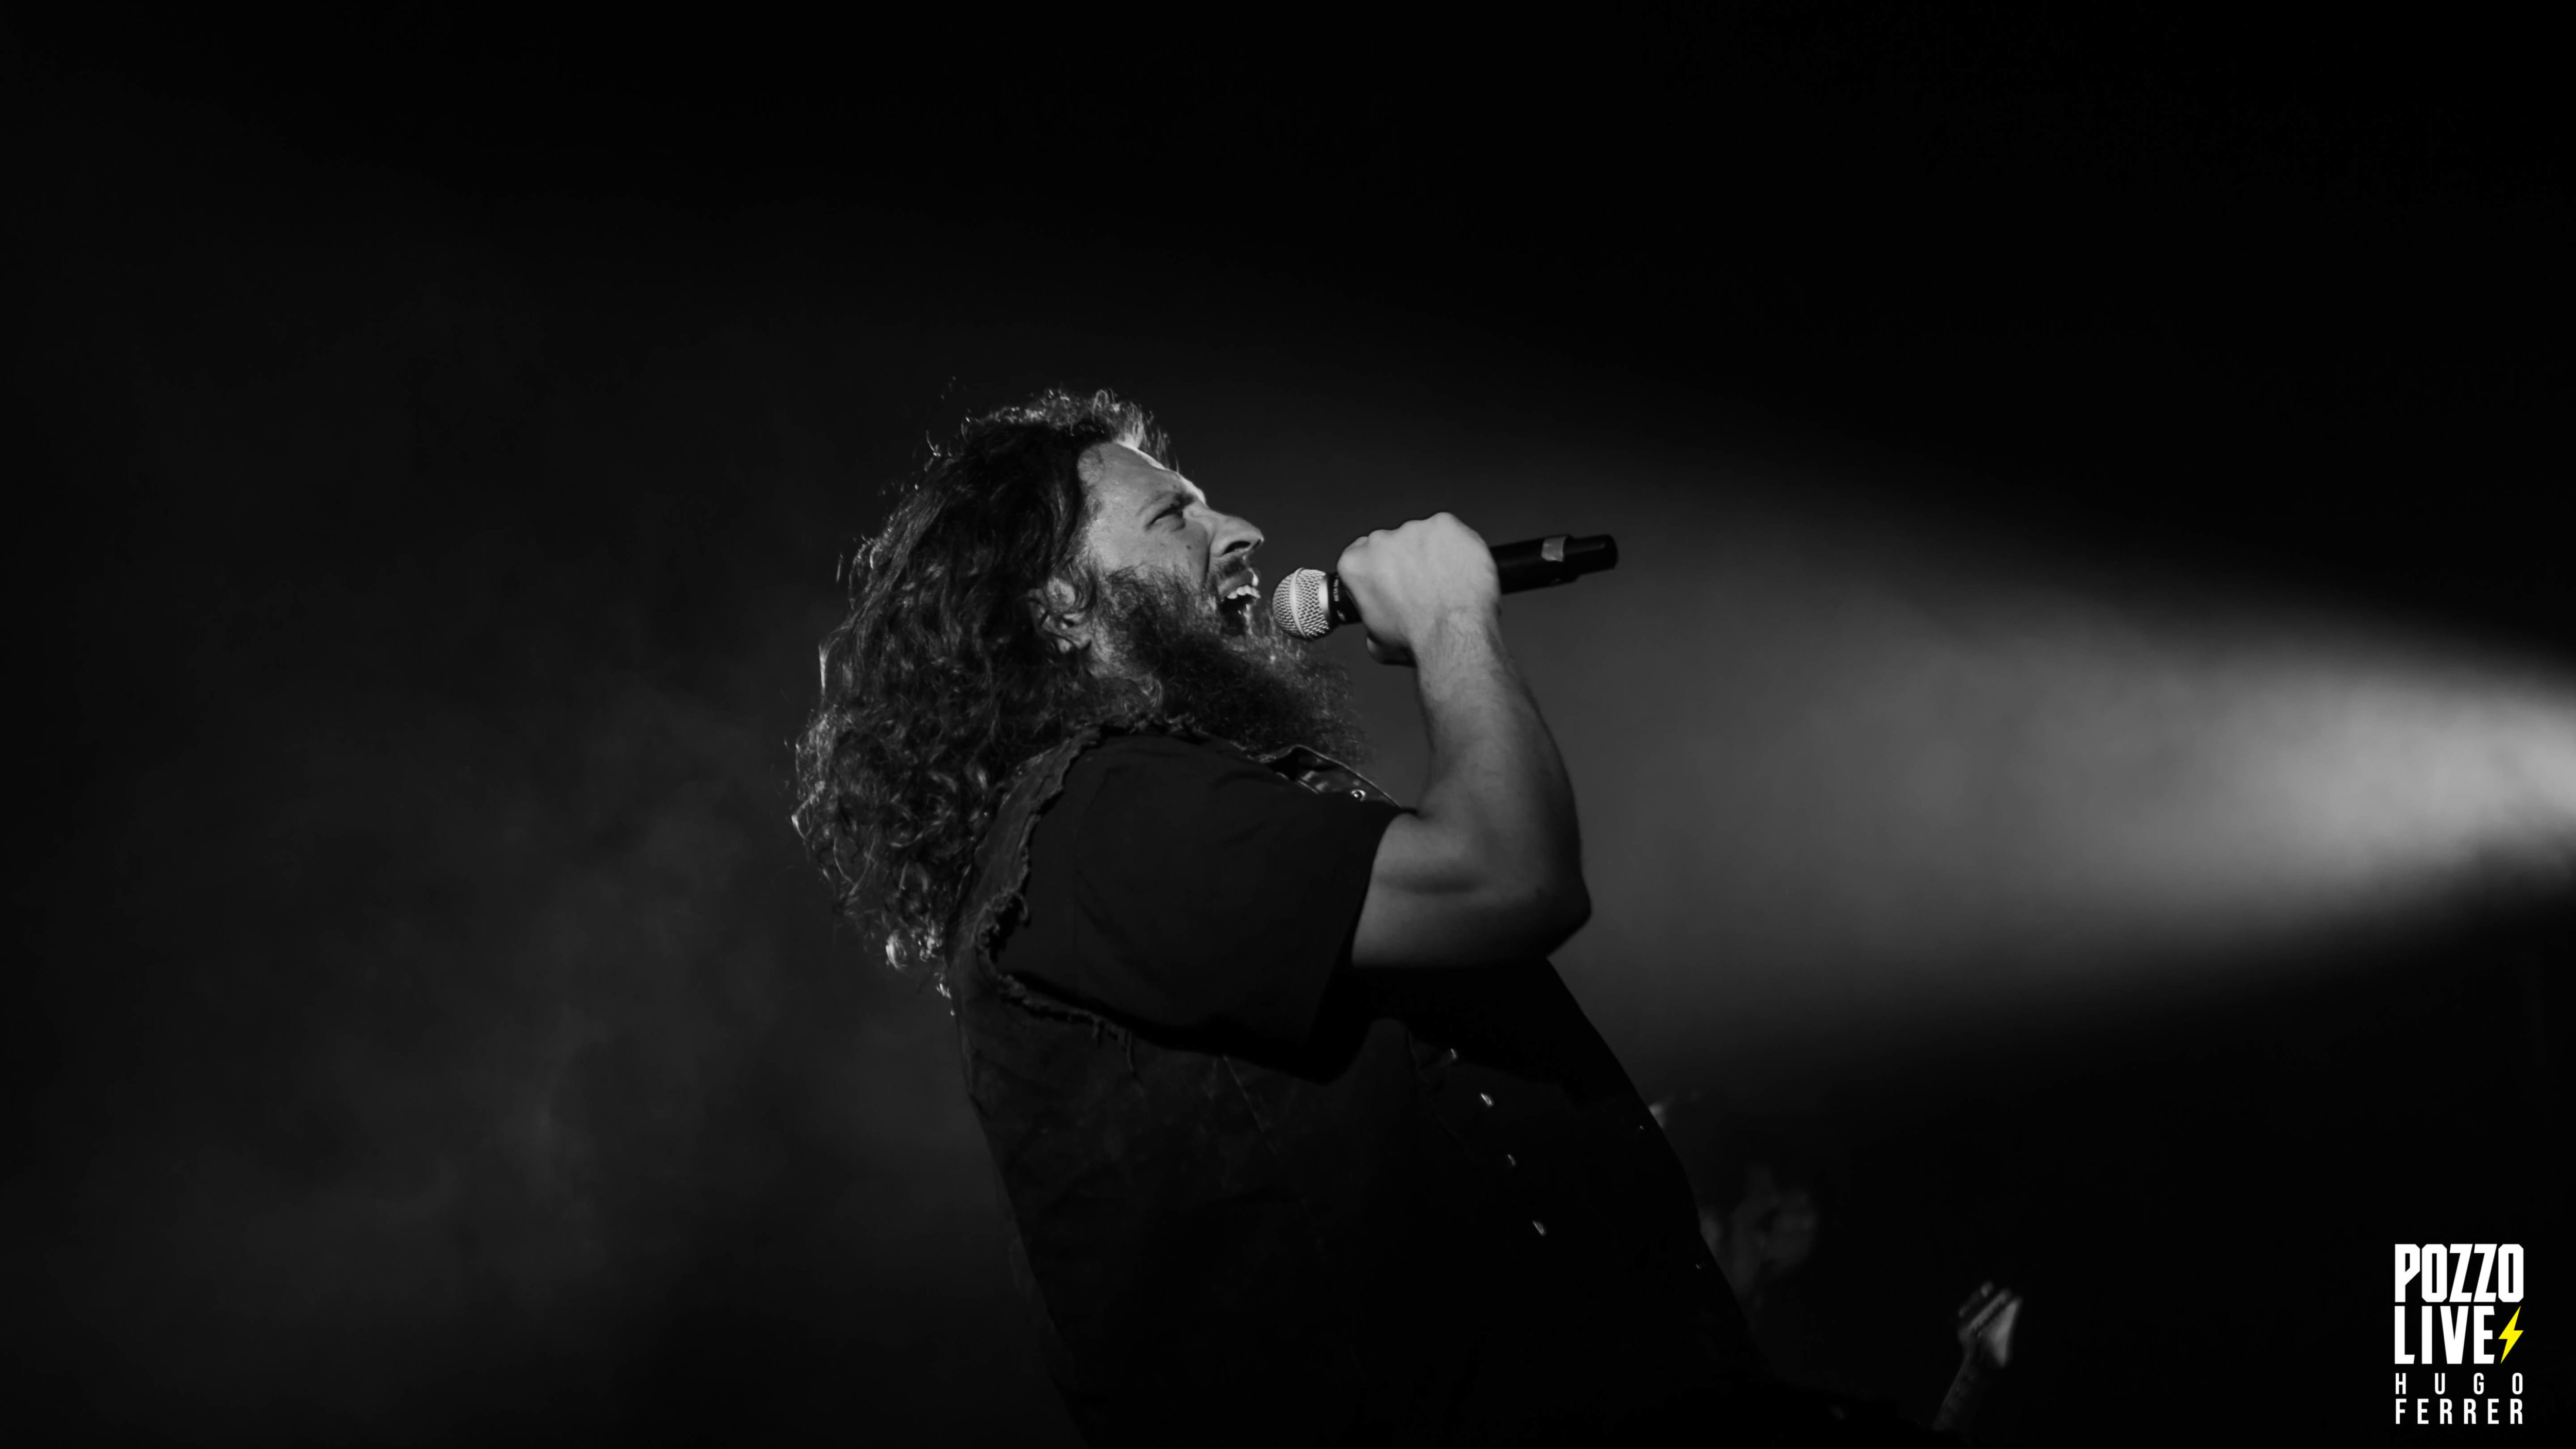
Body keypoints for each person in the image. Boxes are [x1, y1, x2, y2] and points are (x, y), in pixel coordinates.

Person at [793, 390, 1936, 1445]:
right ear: (1059, 607)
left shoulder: (1150, 813)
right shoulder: (1098, 816)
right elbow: (1507, 874)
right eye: (1174, 517)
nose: (1241, 531)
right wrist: (1451, 621)